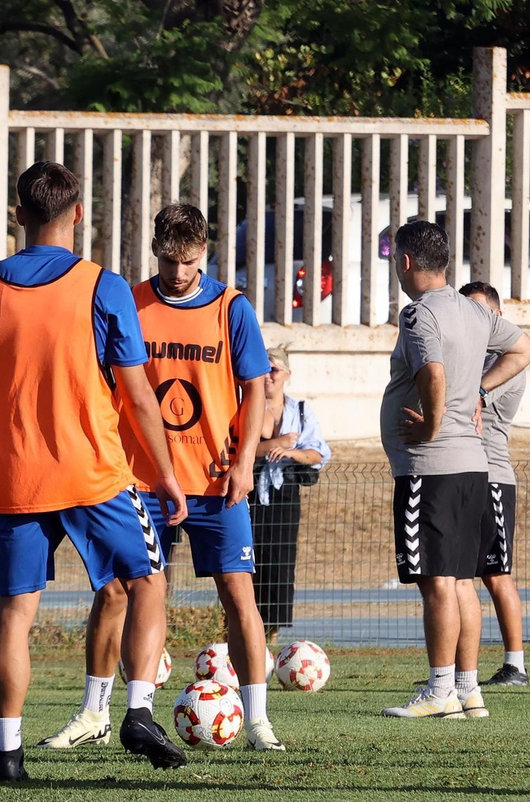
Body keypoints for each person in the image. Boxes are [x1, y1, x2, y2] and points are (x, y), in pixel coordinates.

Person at [0, 161, 189, 781]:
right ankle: (136, 711)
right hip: (92, 470)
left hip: (13, 477)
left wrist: (11, 409)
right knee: (148, 580)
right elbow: (137, 397)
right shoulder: (101, 286)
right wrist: (164, 474)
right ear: (79, 214)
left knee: (14, 613)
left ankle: (8, 756)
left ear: (18, 215)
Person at [40, 203, 283, 752]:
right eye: (170, 261)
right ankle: (93, 713)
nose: (179, 273)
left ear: (205, 253)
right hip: (139, 480)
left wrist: (244, 463)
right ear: (155, 249)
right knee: (117, 592)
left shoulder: (231, 308)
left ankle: (259, 720)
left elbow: (255, 393)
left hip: (217, 481)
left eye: (190, 261)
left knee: (238, 595)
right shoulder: (128, 300)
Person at [379, 222, 530, 720]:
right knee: (463, 579)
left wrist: (430, 425)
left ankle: (439, 688)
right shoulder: (474, 310)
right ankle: (468, 688)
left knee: (437, 581)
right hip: (473, 467)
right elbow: (525, 348)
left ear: (405, 261)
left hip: (432, 466)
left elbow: (434, 372)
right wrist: (484, 391)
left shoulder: (418, 314)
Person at [460, 281, 530, 687]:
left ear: (496, 318)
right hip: (463, 476)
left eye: (478, 313)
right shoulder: (468, 357)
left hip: (493, 479)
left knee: (496, 575)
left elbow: (469, 399)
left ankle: (515, 665)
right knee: (458, 575)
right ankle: (455, 669)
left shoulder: (507, 363)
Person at [249, 346, 330, 637]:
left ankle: (271, 631)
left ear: (286, 375)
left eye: (274, 370)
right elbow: (235, 451)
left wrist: (291, 453)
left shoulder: (301, 411)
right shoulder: (245, 406)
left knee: (281, 561)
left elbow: (318, 453)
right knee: (246, 563)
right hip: (248, 493)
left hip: (284, 494)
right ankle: (245, 625)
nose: (268, 376)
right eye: (264, 369)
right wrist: (274, 444)